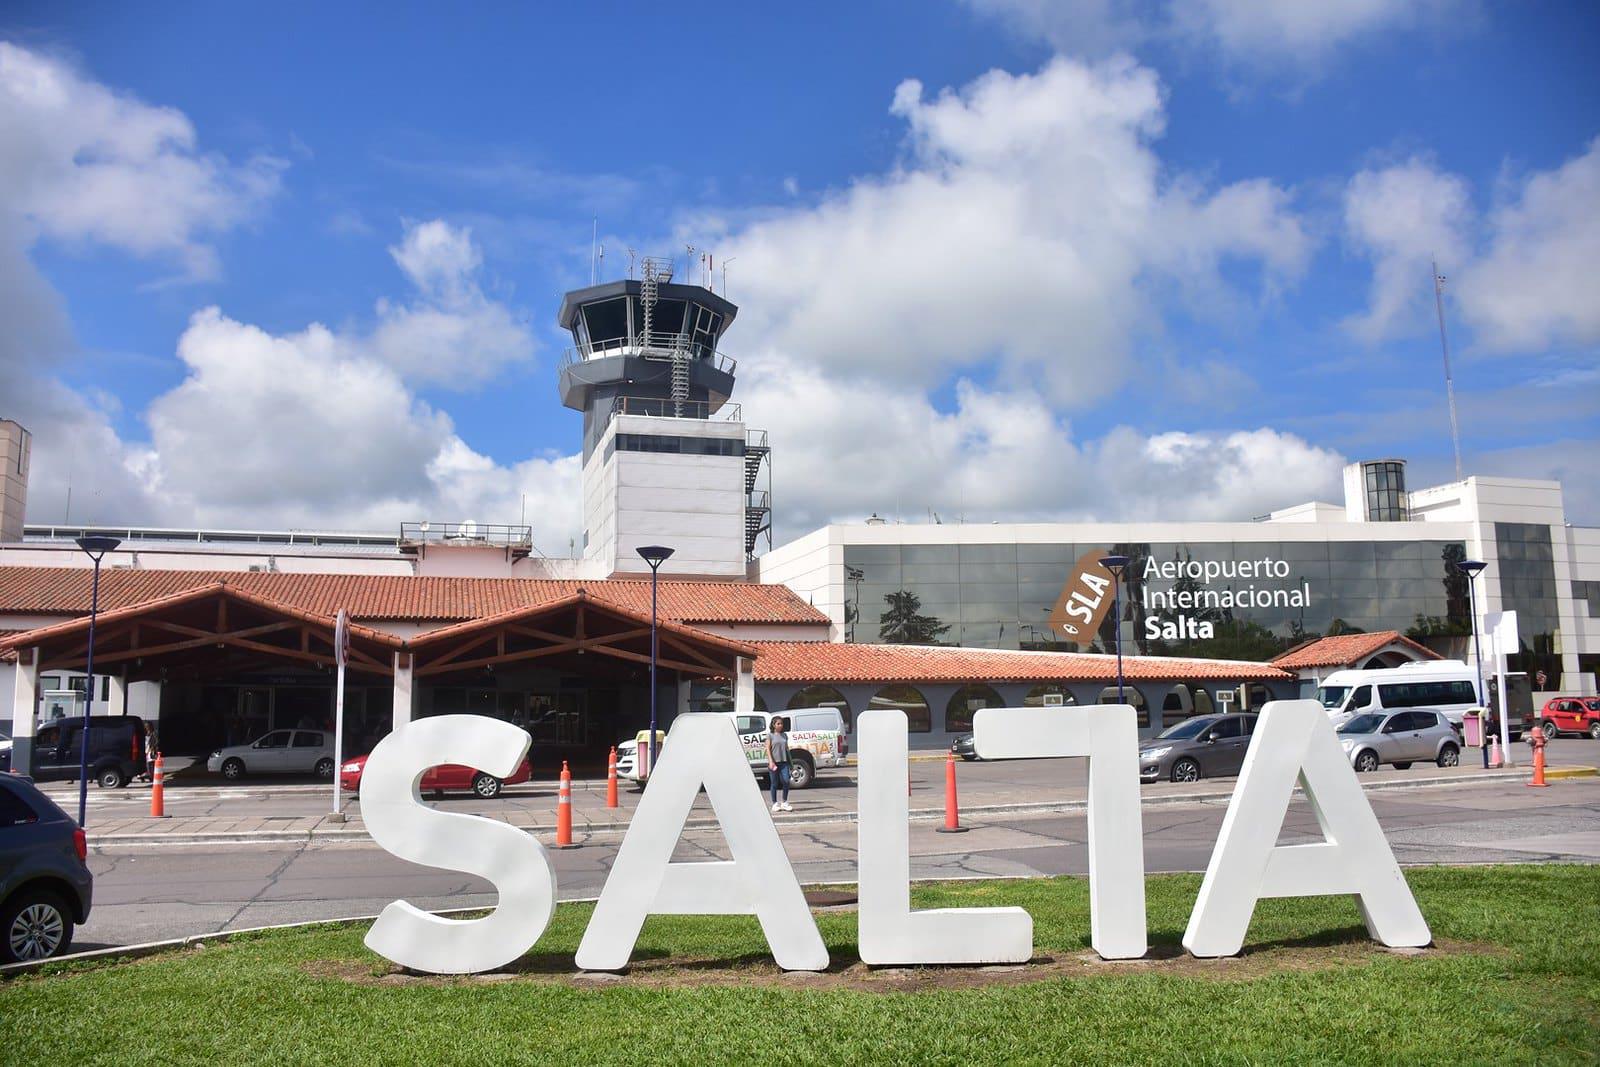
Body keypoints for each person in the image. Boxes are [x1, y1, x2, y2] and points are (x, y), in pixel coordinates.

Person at [767, 716, 792, 813]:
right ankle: (774, 803)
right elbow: (768, 749)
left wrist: (790, 762)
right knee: (774, 783)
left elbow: (787, 749)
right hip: (774, 763)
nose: (780, 725)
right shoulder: (770, 735)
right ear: (773, 725)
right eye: (778, 724)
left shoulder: (784, 735)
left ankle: (784, 802)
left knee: (786, 781)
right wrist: (771, 761)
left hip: (784, 762)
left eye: (781, 723)